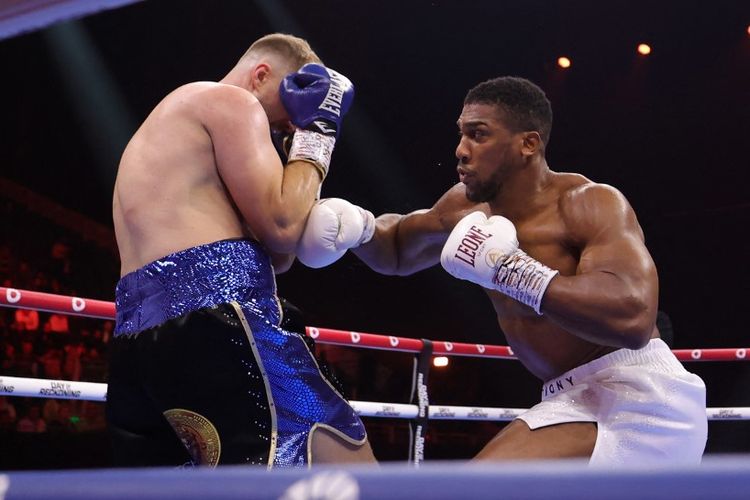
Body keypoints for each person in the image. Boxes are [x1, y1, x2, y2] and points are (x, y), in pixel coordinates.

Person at [296, 76, 707, 465]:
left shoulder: (588, 203)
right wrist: (358, 227)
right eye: (461, 133)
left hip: (642, 396)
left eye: (478, 134)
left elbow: (633, 319)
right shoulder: (463, 207)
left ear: (528, 143)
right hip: (569, 395)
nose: (460, 149)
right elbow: (400, 247)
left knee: (477, 488)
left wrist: (512, 272)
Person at [108, 33, 376, 468]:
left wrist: (295, 159)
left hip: (136, 345)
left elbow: (279, 254)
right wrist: (320, 131)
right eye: (290, 106)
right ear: (262, 75)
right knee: (342, 459)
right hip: (216, 319)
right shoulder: (231, 102)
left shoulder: (168, 128)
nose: (289, 125)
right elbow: (286, 226)